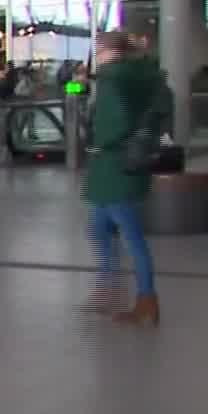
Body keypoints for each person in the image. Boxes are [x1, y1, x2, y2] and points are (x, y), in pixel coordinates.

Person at [84, 31, 162, 325]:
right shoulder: (141, 76)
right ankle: (110, 288)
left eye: (98, 49)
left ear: (107, 50)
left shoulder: (112, 79)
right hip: (127, 164)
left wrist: (100, 143)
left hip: (113, 168)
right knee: (99, 228)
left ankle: (145, 298)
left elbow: (113, 121)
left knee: (131, 236)